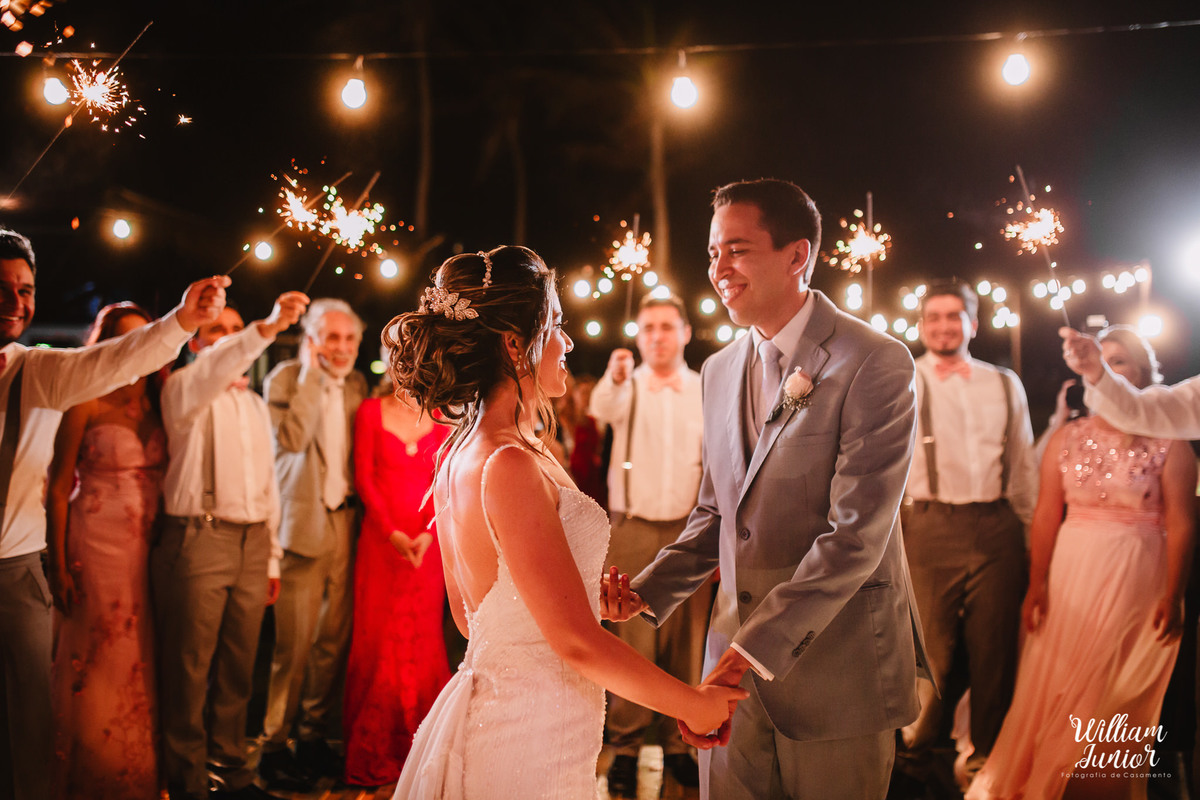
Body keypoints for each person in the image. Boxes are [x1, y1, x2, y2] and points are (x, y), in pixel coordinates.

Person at [385, 246, 746, 799]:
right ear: (513, 343)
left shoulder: (465, 450)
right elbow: (575, 644)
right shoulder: (507, 463)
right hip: (528, 730)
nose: (568, 341)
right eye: (554, 323)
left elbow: (472, 616)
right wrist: (694, 704)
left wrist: (577, 594)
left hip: (525, 711)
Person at [626, 179, 927, 800]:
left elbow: (855, 536)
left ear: (798, 256)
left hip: (838, 668)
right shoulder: (717, 370)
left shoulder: (875, 361)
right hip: (731, 669)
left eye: (737, 249)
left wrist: (749, 652)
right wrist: (642, 593)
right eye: (713, 253)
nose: (719, 269)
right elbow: (716, 514)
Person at [0, 228, 228, 800]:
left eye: (25, 290)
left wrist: (181, 320)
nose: (15, 303)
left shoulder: (38, 369)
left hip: (21, 569)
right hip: (88, 541)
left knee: (26, 718)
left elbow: (117, 360)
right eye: (0, 288)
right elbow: (61, 485)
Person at [967, 325, 1196, 799]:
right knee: (1060, 681)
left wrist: (1174, 593)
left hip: (1136, 575)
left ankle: (1098, 785)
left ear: (1142, 375)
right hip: (1073, 574)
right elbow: (1048, 514)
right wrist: (1037, 583)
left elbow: (1184, 520)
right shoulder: (1066, 438)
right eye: (1101, 362)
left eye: (1120, 362)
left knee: (1112, 689)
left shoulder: (1169, 440)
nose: (1109, 370)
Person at [151, 292, 309, 800]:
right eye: (219, 330)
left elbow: (269, 485)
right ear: (196, 342)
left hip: (252, 541)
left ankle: (232, 769)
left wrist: (271, 559)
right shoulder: (183, 390)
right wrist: (265, 327)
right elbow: (217, 366)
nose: (231, 339)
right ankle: (189, 781)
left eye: (237, 328)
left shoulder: (254, 403)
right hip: (199, 536)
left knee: (241, 666)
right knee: (190, 668)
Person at [896, 280, 1038, 783]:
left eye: (953, 316)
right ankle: (912, 753)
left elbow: (1022, 467)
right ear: (920, 325)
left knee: (994, 652)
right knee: (927, 650)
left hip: (997, 525)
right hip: (930, 525)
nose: (942, 326)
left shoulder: (1004, 382)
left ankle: (984, 764)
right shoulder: (902, 378)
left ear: (973, 324)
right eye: (932, 317)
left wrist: (1027, 537)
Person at [45, 303, 168, 799]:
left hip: (147, 547)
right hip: (94, 542)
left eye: (146, 339)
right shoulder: (86, 397)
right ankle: (89, 774)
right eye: (125, 340)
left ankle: (135, 771)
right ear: (107, 344)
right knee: (97, 654)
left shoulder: (161, 398)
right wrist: (56, 564)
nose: (136, 350)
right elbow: (56, 487)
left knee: (140, 654)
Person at [589, 293, 708, 796]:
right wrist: (616, 375)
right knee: (630, 640)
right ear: (638, 338)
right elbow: (601, 409)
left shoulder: (706, 387)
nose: (657, 336)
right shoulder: (626, 385)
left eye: (666, 327)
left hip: (691, 526)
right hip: (633, 525)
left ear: (684, 332)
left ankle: (681, 743)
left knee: (689, 639)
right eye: (648, 328)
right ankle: (627, 742)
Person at [257, 298, 367, 791]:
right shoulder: (283, 379)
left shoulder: (360, 385)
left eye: (349, 339)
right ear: (312, 339)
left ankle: (312, 735)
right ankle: (273, 743)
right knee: (292, 647)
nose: (340, 348)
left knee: (330, 643)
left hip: (346, 524)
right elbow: (294, 441)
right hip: (301, 526)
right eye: (331, 338)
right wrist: (311, 375)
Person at [342, 376, 450, 786]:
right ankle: (375, 749)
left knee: (424, 640)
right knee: (378, 637)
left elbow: (444, 483)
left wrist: (428, 533)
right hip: (381, 544)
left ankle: (420, 750)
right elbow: (364, 477)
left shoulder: (442, 418)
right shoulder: (370, 411)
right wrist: (391, 533)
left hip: (427, 545)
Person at [1062, 326, 1200, 438]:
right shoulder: (1072, 435)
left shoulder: (1170, 445)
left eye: (1117, 362)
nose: (1110, 370)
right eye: (1104, 363)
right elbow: (1143, 411)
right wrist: (1096, 370)